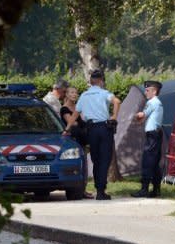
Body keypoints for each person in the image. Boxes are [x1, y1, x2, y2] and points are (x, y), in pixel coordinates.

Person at [64, 70, 121, 200]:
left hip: (91, 130)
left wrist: (66, 129)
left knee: (96, 160)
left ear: (90, 82)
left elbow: (75, 115)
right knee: (105, 159)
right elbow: (117, 102)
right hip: (105, 129)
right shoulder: (104, 93)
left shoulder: (84, 95)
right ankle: (101, 191)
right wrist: (114, 116)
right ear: (101, 81)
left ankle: (99, 189)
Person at [131, 80, 164, 198]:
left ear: (154, 91)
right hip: (156, 134)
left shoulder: (152, 102)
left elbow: (141, 116)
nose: (145, 92)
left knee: (147, 161)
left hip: (152, 136)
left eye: (147, 90)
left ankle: (144, 189)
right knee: (154, 163)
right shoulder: (157, 103)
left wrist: (134, 115)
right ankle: (156, 189)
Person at [60, 86, 93, 199]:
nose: (74, 95)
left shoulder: (77, 107)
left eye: (76, 93)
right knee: (78, 166)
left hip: (82, 139)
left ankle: (83, 190)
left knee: (85, 166)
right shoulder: (64, 109)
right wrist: (78, 115)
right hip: (73, 140)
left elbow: (82, 121)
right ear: (67, 95)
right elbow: (72, 123)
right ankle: (80, 191)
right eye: (72, 93)